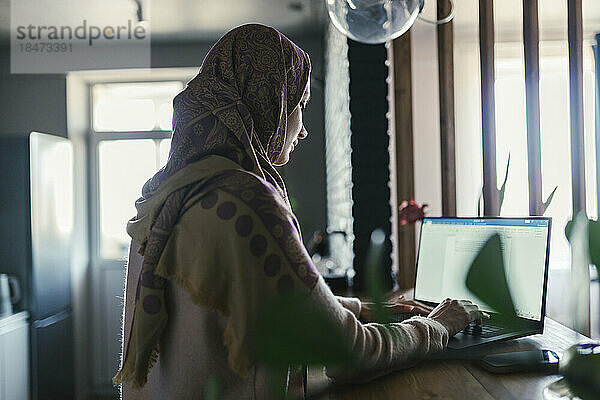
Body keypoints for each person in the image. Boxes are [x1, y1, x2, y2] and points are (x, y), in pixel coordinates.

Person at [114, 23, 486, 399]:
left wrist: (357, 308)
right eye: (300, 104)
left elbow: (260, 297)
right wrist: (437, 326)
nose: (303, 129)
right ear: (268, 100)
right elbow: (348, 355)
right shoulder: (245, 200)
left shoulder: (167, 194)